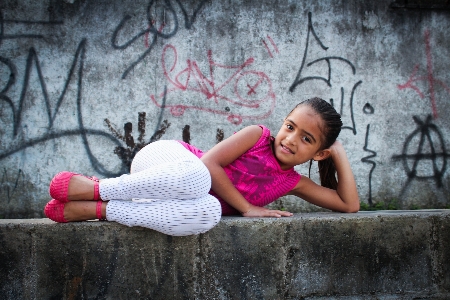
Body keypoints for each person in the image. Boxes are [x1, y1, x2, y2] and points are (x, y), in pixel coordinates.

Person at [44, 97, 359, 236]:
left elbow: (349, 205)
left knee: (210, 212)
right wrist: (247, 208)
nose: (290, 139)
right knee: (199, 177)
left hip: (168, 199)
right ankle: (97, 188)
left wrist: (339, 154)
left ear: (318, 153)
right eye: (289, 127)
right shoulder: (258, 136)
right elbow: (209, 164)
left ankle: (97, 210)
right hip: (166, 162)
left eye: (306, 139)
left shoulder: (291, 182)